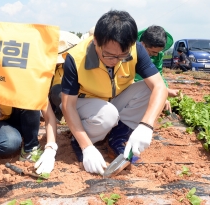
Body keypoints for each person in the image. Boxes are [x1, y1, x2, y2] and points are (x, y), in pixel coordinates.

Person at [61, 10, 167, 175]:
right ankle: (81, 141)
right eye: (109, 55)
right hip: (83, 104)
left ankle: (116, 139)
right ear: (96, 41)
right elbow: (68, 105)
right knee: (107, 115)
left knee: (148, 88)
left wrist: (146, 126)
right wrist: (87, 147)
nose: (115, 61)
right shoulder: (75, 58)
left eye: (122, 56)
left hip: (111, 100)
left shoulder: (136, 50)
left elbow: (159, 87)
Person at [0, 95, 58, 174]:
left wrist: (50, 148)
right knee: (10, 142)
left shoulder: (30, 78)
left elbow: (49, 117)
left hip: (11, 118)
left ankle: (29, 149)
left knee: (30, 100)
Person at [136, 25, 180, 113]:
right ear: (143, 44)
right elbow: (138, 78)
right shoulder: (131, 50)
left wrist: (164, 93)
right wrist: (160, 94)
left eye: (158, 52)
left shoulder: (158, 55)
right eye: (152, 52)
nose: (156, 55)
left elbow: (158, 74)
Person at [49, 31, 81, 121]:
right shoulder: (52, 67)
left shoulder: (74, 65)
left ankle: (67, 114)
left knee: (59, 92)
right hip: (52, 99)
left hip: (73, 98)